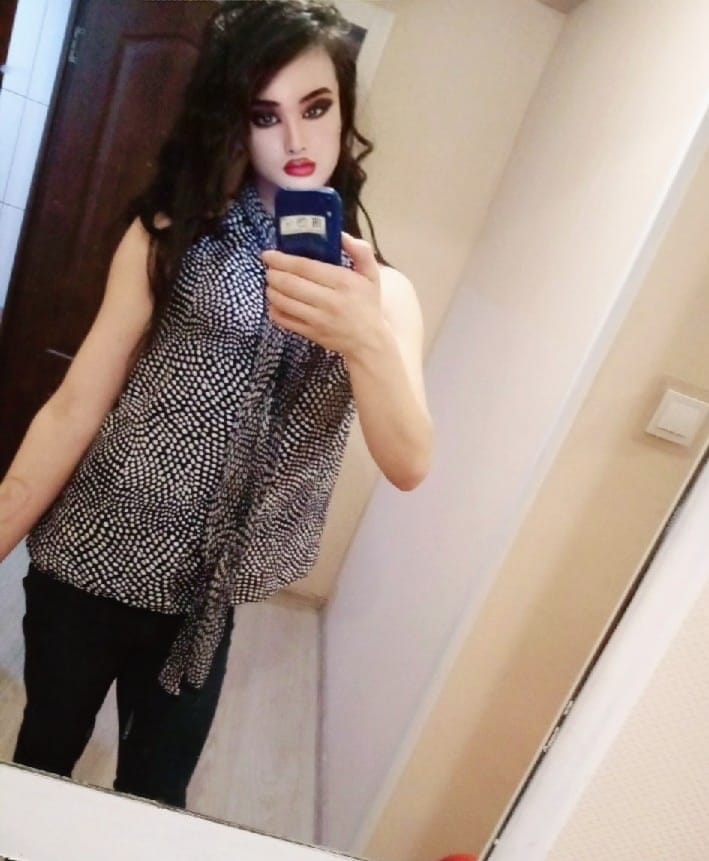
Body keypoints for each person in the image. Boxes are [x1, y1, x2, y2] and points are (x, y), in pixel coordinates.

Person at [0, 0, 432, 808]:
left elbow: (409, 459)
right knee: (42, 757)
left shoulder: (385, 293)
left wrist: (363, 336)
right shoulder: (170, 234)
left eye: (315, 108)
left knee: (154, 798)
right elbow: (75, 405)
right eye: (265, 115)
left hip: (201, 600)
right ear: (237, 123)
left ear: (344, 112)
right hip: (87, 557)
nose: (295, 139)